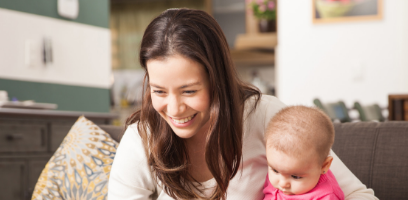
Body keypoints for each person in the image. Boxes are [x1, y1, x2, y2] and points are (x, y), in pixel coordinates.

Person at [108, 8, 377, 200]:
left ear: (218, 80)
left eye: (189, 91)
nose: (175, 108)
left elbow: (357, 195)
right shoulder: (142, 138)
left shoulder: (265, 116)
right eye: (159, 91)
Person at [263, 106, 343, 200]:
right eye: (275, 171)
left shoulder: (327, 196)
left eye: (295, 177)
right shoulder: (281, 169)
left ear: (324, 166)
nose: (282, 184)